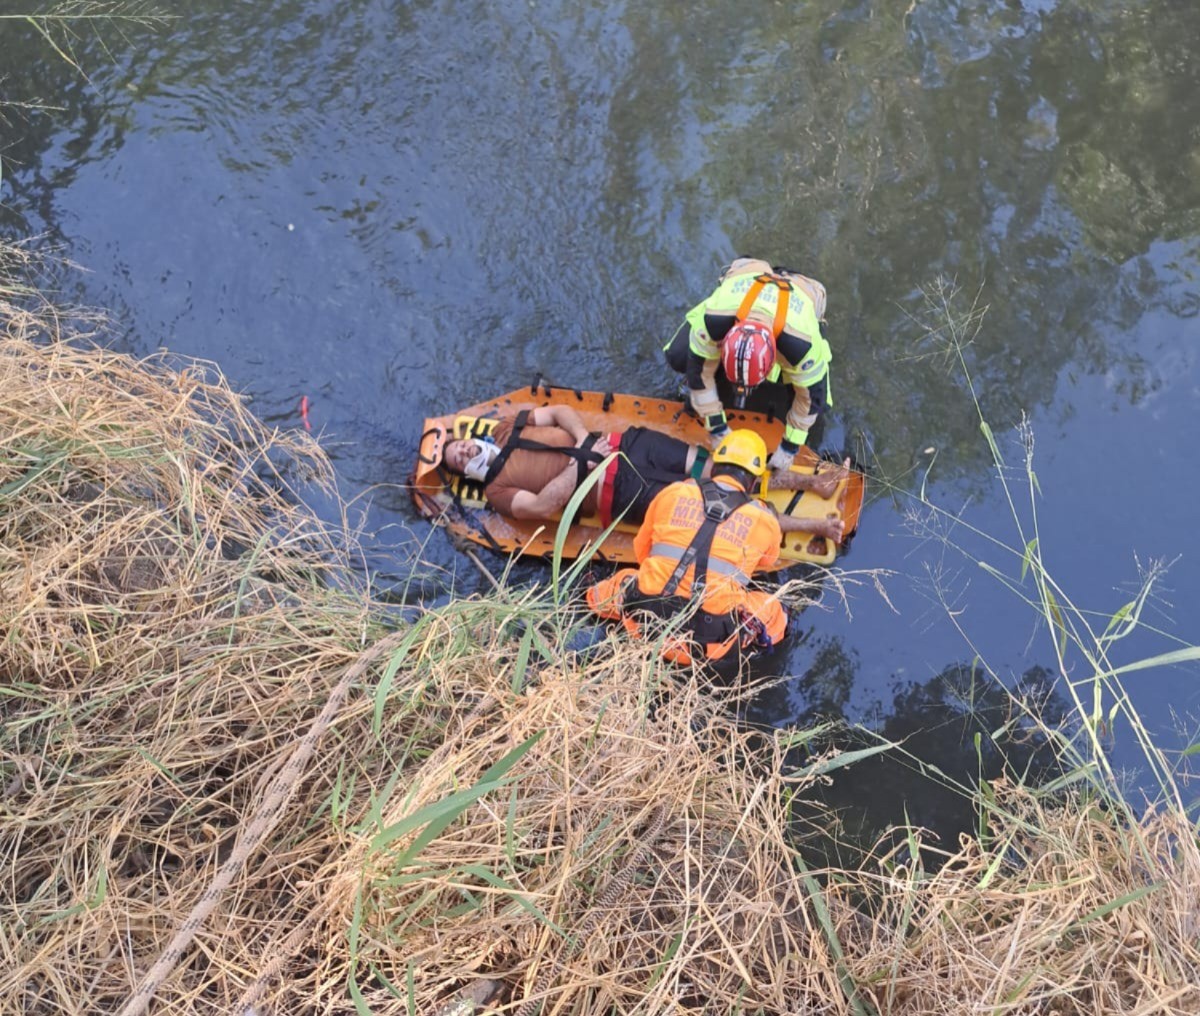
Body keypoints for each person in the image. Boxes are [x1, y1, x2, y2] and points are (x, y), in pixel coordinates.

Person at [440, 404, 847, 541]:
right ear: (465, 472)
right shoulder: (496, 491)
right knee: (714, 504)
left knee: (717, 467)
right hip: (616, 490)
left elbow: (560, 412)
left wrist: (585, 440)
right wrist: (584, 461)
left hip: (625, 444)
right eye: (456, 460)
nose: (460, 451)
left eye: (457, 447)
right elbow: (542, 505)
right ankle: (815, 525)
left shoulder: (503, 428)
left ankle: (812, 482)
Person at [585, 429, 794, 666]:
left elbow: (642, 551)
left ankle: (590, 601)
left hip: (644, 627)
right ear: (754, 481)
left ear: (714, 467)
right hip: (709, 646)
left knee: (616, 584)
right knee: (776, 613)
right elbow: (766, 562)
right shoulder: (764, 519)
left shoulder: (673, 492)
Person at [663, 256, 832, 473]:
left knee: (819, 407)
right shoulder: (714, 321)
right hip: (747, 275)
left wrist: (789, 448)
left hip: (803, 293)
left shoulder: (801, 346)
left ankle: (792, 278)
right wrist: (716, 428)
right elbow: (699, 373)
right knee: (678, 356)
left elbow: (810, 399)